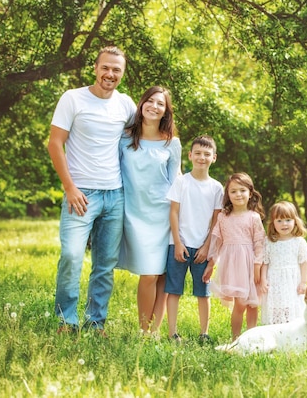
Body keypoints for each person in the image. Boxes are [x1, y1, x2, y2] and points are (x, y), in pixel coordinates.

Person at [47, 46, 137, 336]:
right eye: (106, 68)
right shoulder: (73, 98)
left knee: (105, 264)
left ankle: (96, 321)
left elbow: (143, 138)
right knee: (72, 256)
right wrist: (69, 187)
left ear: (122, 74)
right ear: (95, 68)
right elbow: (54, 143)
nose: (110, 74)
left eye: (116, 70)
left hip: (115, 194)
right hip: (80, 194)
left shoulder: (126, 105)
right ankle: (66, 320)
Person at [116, 86, 181, 336]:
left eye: (160, 104)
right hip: (135, 214)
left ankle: (153, 331)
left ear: (166, 111)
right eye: (150, 101)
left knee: (161, 274)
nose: (154, 106)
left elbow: (176, 180)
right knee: (148, 274)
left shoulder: (171, 143)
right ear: (142, 104)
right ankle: (144, 331)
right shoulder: (124, 138)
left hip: (164, 214)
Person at [165, 135, 224, 343]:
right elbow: (173, 213)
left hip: (202, 248)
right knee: (173, 289)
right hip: (179, 245)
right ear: (190, 156)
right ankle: (172, 332)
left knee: (203, 292)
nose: (202, 157)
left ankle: (204, 333)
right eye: (198, 153)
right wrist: (178, 243)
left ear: (214, 158)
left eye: (207, 154)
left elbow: (217, 220)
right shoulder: (181, 182)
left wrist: (207, 247)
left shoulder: (217, 187)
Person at [205, 172, 266, 340]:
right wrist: (211, 265)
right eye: (233, 191)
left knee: (253, 304)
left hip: (251, 264)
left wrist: (257, 266)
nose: (238, 194)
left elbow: (260, 243)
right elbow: (217, 242)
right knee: (240, 303)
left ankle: (251, 338)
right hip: (233, 265)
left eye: (242, 190)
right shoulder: (224, 217)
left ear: (250, 193)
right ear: (228, 195)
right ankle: (236, 339)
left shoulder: (253, 217)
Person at [259, 201, 307, 325]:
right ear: (273, 223)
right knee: (276, 305)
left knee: (291, 304)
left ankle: (291, 328)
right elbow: (265, 262)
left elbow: (304, 263)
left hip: (292, 281)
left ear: (295, 221)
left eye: (288, 220)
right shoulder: (268, 242)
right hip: (274, 280)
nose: (284, 224)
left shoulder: (299, 242)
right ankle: (276, 328)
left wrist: (303, 283)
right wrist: (263, 279)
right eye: (279, 221)